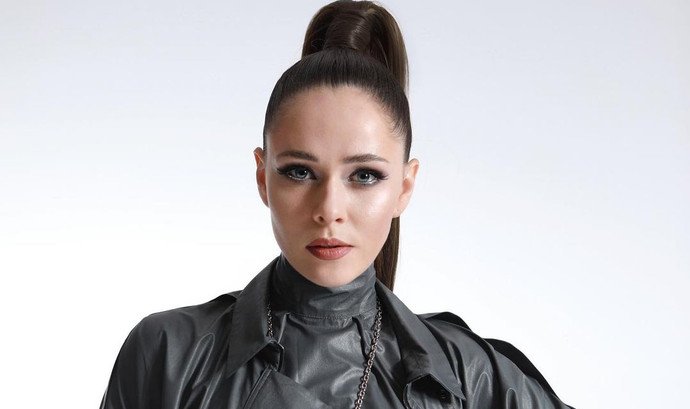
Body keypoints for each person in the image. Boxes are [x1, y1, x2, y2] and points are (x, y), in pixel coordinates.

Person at [100, 1, 575, 408]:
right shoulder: (169, 354)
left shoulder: (469, 377)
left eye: (364, 176)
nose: (329, 209)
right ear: (263, 177)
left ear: (404, 187)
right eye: (300, 172)